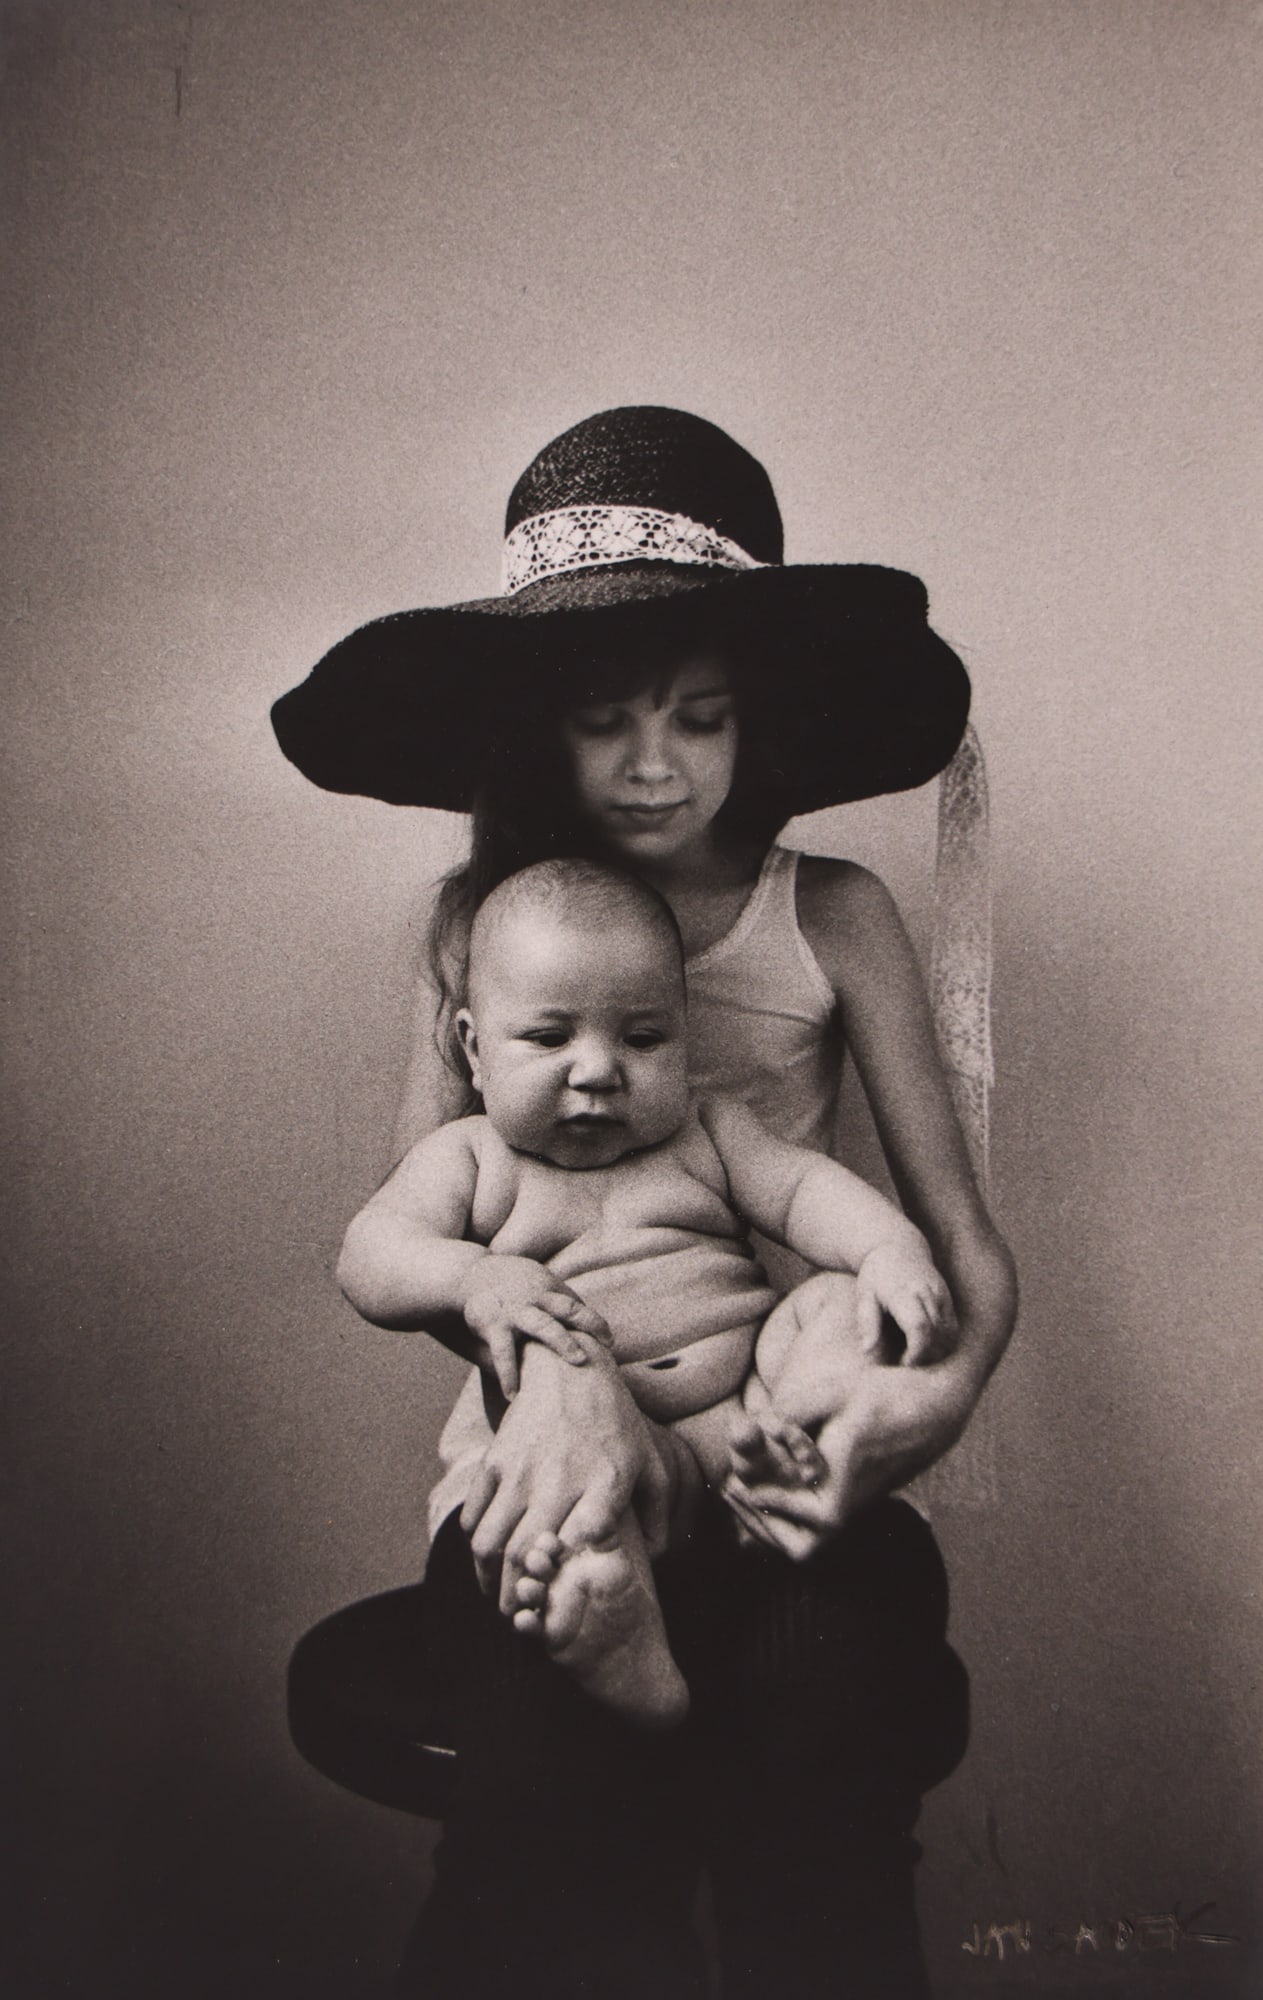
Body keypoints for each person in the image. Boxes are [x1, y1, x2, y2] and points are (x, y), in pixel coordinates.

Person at [273, 405, 1018, 1997]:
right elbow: (426, 1227)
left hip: (762, 1449)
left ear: (760, 718)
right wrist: (565, 1392)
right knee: (548, 1821)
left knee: (820, 1788)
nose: (654, 762)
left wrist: (916, 1414)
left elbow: (953, 1250)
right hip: (543, 1458)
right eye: (607, 719)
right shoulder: (474, 927)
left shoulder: (831, 913)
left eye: (698, 716)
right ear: (543, 724)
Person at [338, 856, 956, 1729]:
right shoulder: (470, 1159)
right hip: (609, 1452)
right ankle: (618, 1624)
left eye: (642, 1039)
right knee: (580, 1513)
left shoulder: (706, 1135)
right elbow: (369, 1251)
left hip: (743, 1424)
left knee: (828, 1308)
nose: (598, 1071)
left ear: (685, 1039)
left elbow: (804, 1191)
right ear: (474, 1049)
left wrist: (890, 1250)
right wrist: (473, 1277)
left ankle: (798, 1443)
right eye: (549, 1038)